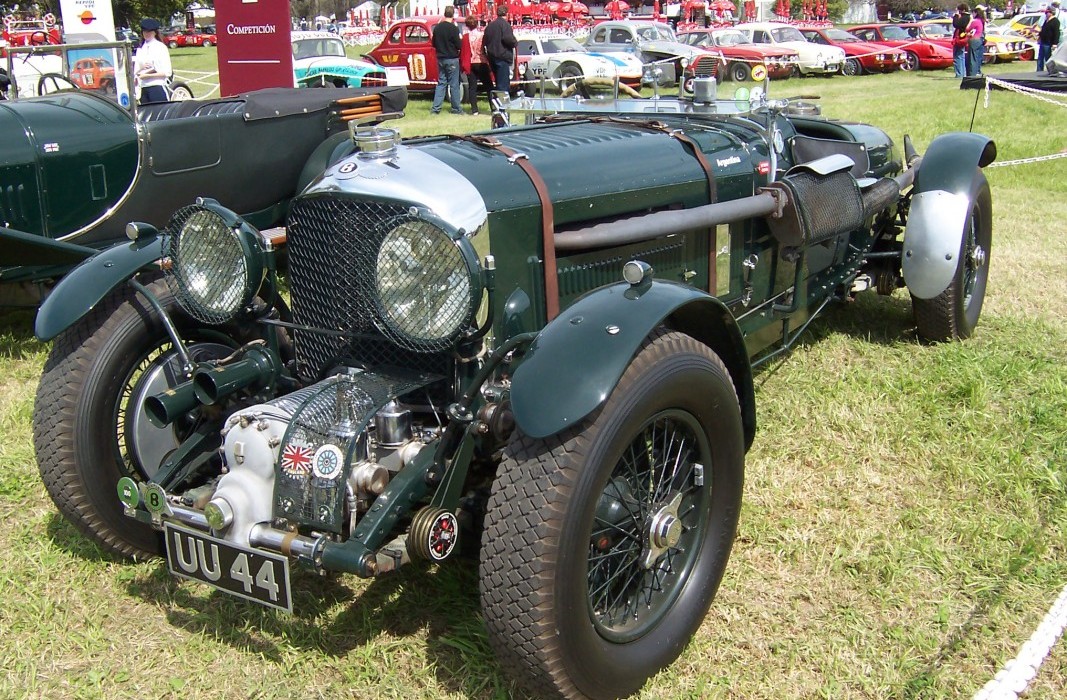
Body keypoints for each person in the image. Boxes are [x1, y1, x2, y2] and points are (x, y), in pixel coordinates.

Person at [431, 6, 463, 115]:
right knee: (454, 84)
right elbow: (459, 45)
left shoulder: (437, 28)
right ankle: (456, 108)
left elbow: (433, 43)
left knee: (441, 83)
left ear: (444, 14)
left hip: (440, 58)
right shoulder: (453, 28)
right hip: (452, 58)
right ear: (453, 15)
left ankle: (436, 109)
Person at [133, 18, 172, 105]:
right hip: (143, 88)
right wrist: (140, 72)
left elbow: (167, 72)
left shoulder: (160, 47)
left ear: (155, 32)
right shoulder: (140, 49)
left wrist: (147, 76)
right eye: (145, 31)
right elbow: (136, 71)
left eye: (149, 31)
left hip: (157, 86)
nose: (147, 34)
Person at [460, 15, 491, 115]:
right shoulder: (482, 35)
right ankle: (493, 107)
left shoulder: (465, 37)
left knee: (472, 87)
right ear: (477, 24)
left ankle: (474, 110)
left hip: (471, 63)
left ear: (467, 26)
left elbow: (463, 52)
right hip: (481, 61)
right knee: (489, 86)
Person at [483, 4, 516, 94]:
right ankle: (502, 102)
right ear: (507, 14)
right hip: (502, 56)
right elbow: (508, 39)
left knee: (498, 82)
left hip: (492, 56)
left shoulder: (490, 26)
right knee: (503, 84)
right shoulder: (505, 25)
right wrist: (515, 42)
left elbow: (485, 40)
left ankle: (497, 100)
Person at [1038, 6, 1060, 72]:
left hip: (1049, 43)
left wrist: (1055, 43)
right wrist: (1039, 37)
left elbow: (1056, 33)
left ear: (1051, 13)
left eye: (1047, 12)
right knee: (1040, 58)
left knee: (1048, 58)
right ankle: (1039, 71)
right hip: (1043, 42)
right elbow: (1043, 30)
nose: (1046, 14)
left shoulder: (1055, 21)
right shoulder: (1046, 20)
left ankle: (1050, 71)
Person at [952, 4, 972, 78]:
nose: (959, 12)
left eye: (959, 10)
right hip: (963, 38)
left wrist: (956, 16)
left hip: (960, 39)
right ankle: (963, 73)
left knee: (958, 57)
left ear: (963, 10)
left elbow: (956, 24)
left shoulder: (965, 17)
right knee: (961, 56)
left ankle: (959, 74)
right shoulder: (968, 17)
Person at [967, 5, 986, 76]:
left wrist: (970, 20)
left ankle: (972, 74)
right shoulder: (981, 21)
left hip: (974, 40)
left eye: (973, 13)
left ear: (976, 13)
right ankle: (976, 72)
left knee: (972, 58)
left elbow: (967, 28)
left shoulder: (975, 21)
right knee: (977, 57)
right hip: (979, 40)